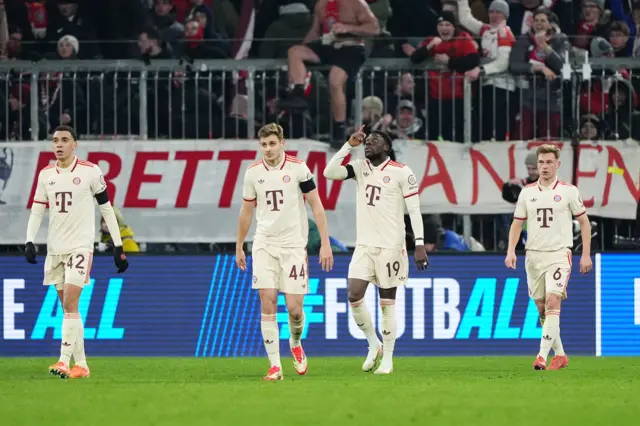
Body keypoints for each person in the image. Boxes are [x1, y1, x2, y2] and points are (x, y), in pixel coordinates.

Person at [24, 125, 129, 379]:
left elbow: (106, 209)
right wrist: (29, 241)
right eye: (55, 141)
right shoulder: (45, 174)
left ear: (75, 145)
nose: (58, 144)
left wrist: (119, 246)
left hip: (81, 246)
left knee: (71, 303)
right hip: (55, 249)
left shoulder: (90, 171)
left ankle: (63, 361)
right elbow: (38, 210)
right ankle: (81, 364)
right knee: (68, 310)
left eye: (64, 140)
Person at [323, 126, 428, 374]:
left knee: (387, 303)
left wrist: (420, 244)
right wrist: (349, 145)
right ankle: (374, 343)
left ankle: (388, 360)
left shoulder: (402, 173)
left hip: (391, 247)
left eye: (374, 141)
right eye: (366, 141)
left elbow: (414, 210)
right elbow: (329, 172)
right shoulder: (360, 167)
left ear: (386, 147)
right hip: (364, 246)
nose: (367, 143)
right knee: (353, 294)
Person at [236, 123, 334, 381]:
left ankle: (295, 341)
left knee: (294, 310)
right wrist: (239, 245)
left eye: (272, 144)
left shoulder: (299, 169)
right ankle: (275, 366)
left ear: (282, 143)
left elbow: (316, 205)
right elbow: (247, 211)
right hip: (264, 244)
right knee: (267, 300)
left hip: (293, 247)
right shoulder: (253, 173)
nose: (268, 149)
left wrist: (324, 242)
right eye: (264, 145)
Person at [504, 144, 593, 371]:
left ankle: (541, 357)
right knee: (542, 309)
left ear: (557, 164)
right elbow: (517, 223)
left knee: (554, 301)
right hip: (533, 256)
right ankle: (560, 355)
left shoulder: (568, 191)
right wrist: (511, 250)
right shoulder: (527, 192)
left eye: (548, 162)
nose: (544, 166)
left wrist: (585, 255)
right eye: (541, 162)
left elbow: (584, 222)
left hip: (559, 254)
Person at [279, 0, 379, 146]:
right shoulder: (321, 5)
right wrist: (305, 46)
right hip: (328, 45)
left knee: (335, 80)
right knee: (294, 52)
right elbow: (315, 31)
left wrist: (348, 28)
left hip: (351, 47)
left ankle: (339, 129)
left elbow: (374, 28)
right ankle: (299, 95)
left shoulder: (357, 3)